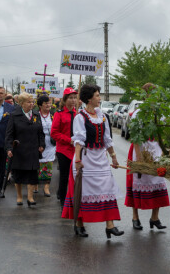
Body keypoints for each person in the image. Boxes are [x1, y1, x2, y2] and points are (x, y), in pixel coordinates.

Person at [62, 84, 124, 239]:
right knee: (83, 192)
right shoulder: (80, 117)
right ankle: (79, 224)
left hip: (101, 160)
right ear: (89, 99)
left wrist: (114, 156)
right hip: (86, 159)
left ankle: (110, 225)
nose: (99, 98)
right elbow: (79, 140)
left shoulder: (103, 117)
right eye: (97, 95)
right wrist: (77, 159)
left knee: (107, 190)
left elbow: (107, 139)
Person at [125, 83, 170, 231]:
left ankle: (154, 217)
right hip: (141, 149)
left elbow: (163, 136)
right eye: (151, 94)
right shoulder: (139, 113)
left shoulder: (161, 113)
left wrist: (164, 153)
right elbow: (135, 136)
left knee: (158, 180)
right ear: (146, 96)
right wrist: (139, 158)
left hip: (156, 150)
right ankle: (135, 217)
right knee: (137, 182)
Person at [5, 93, 45, 206]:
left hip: (33, 150)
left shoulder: (36, 115)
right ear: (21, 103)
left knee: (32, 175)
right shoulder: (14, 115)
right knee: (18, 175)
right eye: (28, 102)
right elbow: (9, 134)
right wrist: (9, 148)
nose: (31, 104)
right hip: (19, 150)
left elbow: (41, 133)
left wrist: (42, 144)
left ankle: (30, 197)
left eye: (32, 102)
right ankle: (19, 196)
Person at [51, 87, 78, 208]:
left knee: (76, 176)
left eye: (74, 98)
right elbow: (54, 133)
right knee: (64, 176)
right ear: (65, 99)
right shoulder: (59, 114)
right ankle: (63, 200)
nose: (73, 100)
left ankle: (72, 196)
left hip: (76, 150)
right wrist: (69, 140)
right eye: (70, 98)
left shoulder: (78, 114)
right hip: (63, 150)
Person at [37, 94, 56, 197]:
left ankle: (46, 187)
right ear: (40, 105)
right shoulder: (35, 115)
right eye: (46, 103)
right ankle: (35, 184)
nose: (48, 105)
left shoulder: (53, 115)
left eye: (49, 102)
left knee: (48, 165)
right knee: (38, 164)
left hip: (51, 143)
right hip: (39, 142)